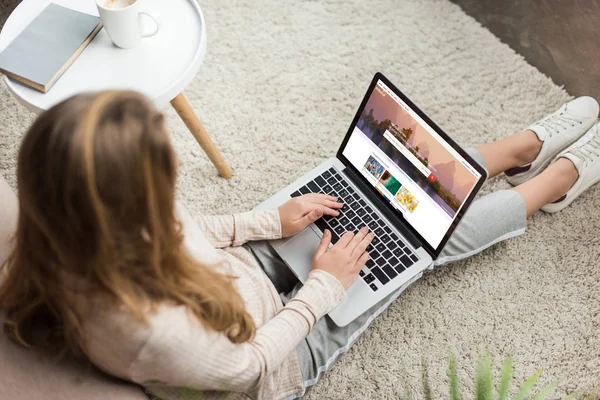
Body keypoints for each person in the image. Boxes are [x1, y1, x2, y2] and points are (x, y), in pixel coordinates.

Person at [0, 91, 598, 400]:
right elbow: (246, 368)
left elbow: (190, 230)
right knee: (417, 240)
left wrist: (268, 221)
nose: (177, 167)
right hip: (281, 349)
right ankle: (555, 181)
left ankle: (507, 152)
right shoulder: (147, 330)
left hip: (237, 276)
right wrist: (323, 287)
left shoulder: (77, 217)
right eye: (166, 169)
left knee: (359, 181)